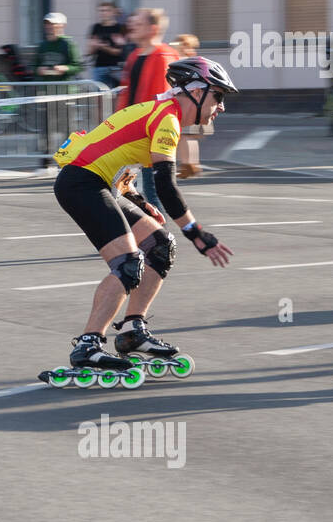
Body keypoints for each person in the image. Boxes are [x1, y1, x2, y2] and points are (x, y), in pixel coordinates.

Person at [49, 57, 237, 380]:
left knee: (160, 245)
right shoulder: (169, 118)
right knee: (127, 263)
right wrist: (197, 233)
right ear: (195, 91)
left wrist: (135, 200)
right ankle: (89, 344)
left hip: (98, 182)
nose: (221, 106)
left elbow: (118, 158)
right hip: (82, 183)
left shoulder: (163, 111)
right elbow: (165, 184)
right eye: (218, 96)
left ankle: (134, 330)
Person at [117, 9, 180, 207]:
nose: (132, 26)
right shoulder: (135, 55)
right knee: (124, 187)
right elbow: (128, 93)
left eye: (139, 24)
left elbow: (160, 101)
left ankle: (161, 235)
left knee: (153, 192)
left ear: (152, 29)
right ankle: (145, 231)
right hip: (132, 135)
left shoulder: (163, 56)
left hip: (149, 138)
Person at [173, 33, 207, 179]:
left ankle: (188, 165)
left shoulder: (185, 61)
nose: (178, 47)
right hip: (197, 103)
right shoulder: (198, 61)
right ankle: (192, 164)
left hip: (188, 103)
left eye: (181, 44)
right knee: (190, 136)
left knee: (185, 136)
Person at [86, 2, 128, 87]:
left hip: (116, 68)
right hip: (99, 67)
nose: (103, 13)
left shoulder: (120, 28)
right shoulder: (96, 27)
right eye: (101, 11)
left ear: (113, 12)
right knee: (98, 96)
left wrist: (103, 47)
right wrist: (94, 46)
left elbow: (120, 51)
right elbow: (89, 52)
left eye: (107, 10)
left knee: (117, 95)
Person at [35, 13, 81, 79]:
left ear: (62, 25)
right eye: (46, 24)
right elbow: (34, 66)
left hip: (65, 86)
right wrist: (39, 70)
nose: (49, 26)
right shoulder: (42, 45)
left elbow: (78, 67)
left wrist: (66, 68)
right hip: (46, 87)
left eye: (52, 23)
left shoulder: (69, 44)